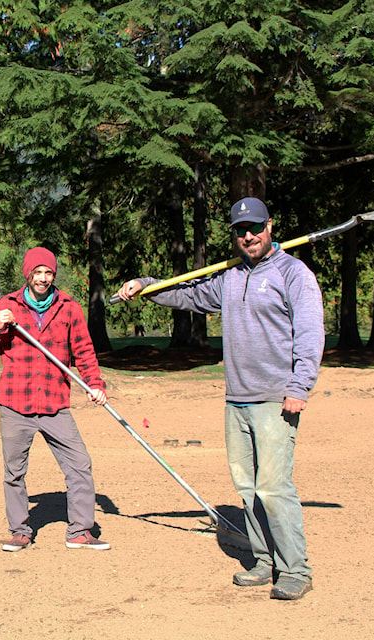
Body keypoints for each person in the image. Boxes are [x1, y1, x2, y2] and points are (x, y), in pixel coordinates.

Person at [115, 196, 324, 600]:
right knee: (246, 488)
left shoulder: (293, 274)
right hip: (237, 400)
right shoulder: (230, 276)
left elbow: (311, 333)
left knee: (273, 488)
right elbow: (188, 295)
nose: (248, 236)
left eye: (255, 228)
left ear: (269, 227)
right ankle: (264, 561)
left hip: (276, 398)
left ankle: (295, 568)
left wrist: (300, 387)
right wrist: (146, 286)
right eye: (240, 231)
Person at [0, 247, 111, 552]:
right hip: (14, 402)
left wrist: (94, 384)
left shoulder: (69, 307)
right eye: (38, 272)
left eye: (48, 273)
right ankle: (19, 530)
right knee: (14, 472)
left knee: (79, 464)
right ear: (27, 274)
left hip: (55, 403)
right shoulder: (7, 305)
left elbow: (84, 351)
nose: (43, 278)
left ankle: (80, 532)